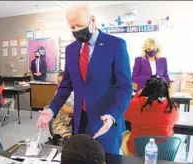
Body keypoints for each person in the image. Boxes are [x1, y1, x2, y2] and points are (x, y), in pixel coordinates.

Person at [37, 3, 132, 154]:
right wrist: (52, 109)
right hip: (80, 121)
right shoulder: (71, 49)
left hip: (105, 121)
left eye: (80, 25)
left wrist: (113, 115)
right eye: (72, 27)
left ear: (92, 20)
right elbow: (66, 86)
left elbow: (125, 88)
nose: (76, 30)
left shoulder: (116, 45)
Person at [123, 76, 179, 156]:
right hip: (165, 152)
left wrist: (137, 95)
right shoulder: (172, 107)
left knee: (125, 135)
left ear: (145, 89)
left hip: (137, 151)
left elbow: (127, 116)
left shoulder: (134, 104)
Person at [51, 72, 74, 139]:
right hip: (63, 119)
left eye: (62, 82)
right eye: (58, 82)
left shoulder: (75, 92)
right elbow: (66, 110)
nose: (60, 84)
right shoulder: (58, 93)